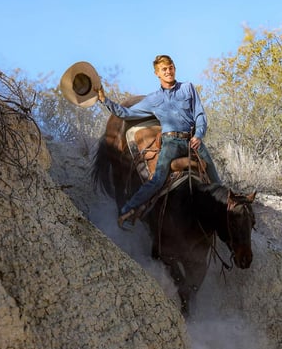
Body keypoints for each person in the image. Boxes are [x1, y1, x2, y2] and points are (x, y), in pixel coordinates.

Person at [95, 55, 222, 228]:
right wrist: (104, 100)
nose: (168, 71)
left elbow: (199, 114)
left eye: (171, 67)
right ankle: (127, 209)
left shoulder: (188, 88)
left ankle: (226, 221)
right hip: (171, 143)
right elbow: (126, 113)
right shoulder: (153, 100)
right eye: (164, 69)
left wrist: (198, 135)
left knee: (216, 182)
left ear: (174, 68)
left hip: (192, 141)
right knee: (157, 180)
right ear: (157, 74)